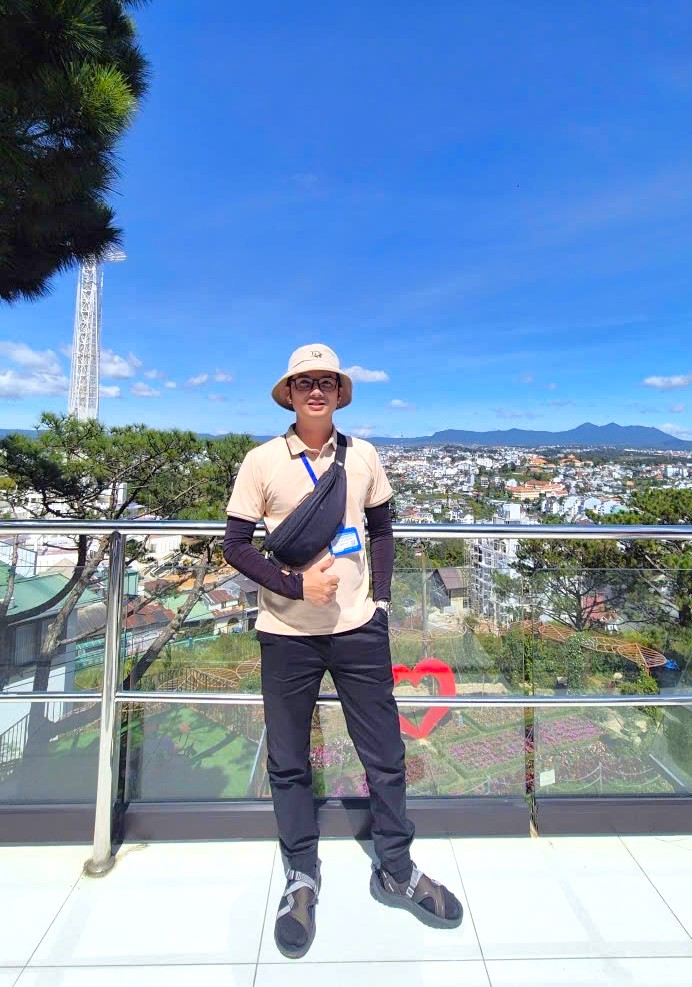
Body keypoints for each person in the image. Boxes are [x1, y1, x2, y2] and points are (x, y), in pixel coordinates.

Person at [223, 344, 462, 959]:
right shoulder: (261, 461)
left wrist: (380, 602)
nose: (315, 391)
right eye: (304, 382)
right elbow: (236, 545)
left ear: (338, 392)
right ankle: (302, 875)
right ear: (289, 393)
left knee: (385, 753)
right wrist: (293, 585)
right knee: (288, 760)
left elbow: (381, 531)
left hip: (358, 628)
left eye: (325, 381)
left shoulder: (364, 457)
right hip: (286, 631)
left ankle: (396, 867)